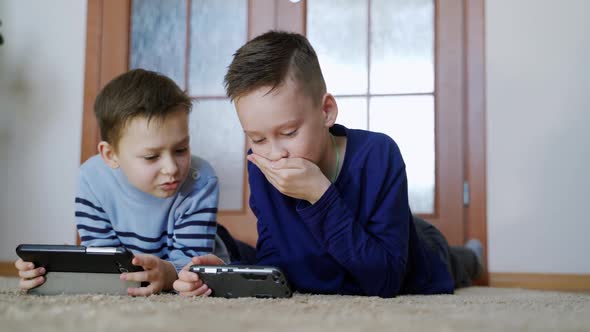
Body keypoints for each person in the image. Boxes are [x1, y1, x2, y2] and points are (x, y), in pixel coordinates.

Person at [173, 31, 483, 298]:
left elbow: (385, 281)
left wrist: (320, 195)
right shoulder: (261, 164)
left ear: (327, 111)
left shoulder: (379, 154)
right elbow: (279, 261)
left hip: (415, 252)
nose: (275, 153)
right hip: (354, 245)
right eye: (257, 138)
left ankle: (473, 254)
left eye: (289, 132)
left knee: (454, 259)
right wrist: (229, 272)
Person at [15, 69, 229, 296]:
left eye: (181, 149)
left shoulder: (201, 180)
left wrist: (168, 274)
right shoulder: (92, 179)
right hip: (142, 255)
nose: (172, 168)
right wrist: (55, 270)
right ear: (110, 155)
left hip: (204, 244)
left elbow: (192, 264)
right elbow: (103, 254)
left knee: (246, 258)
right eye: (151, 157)